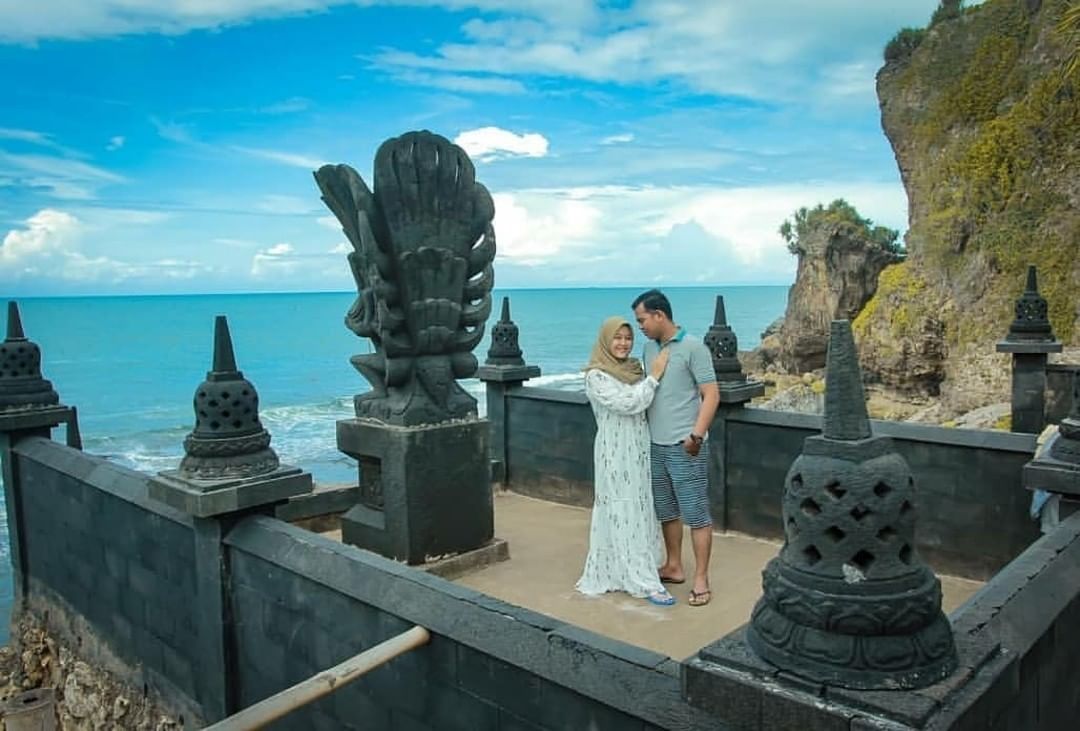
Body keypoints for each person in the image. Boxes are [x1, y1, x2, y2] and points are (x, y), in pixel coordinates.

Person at [576, 316, 675, 606]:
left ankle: (628, 570)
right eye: (617, 338)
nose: (623, 344)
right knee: (622, 507)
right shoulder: (597, 376)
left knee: (639, 507)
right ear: (606, 340)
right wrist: (654, 377)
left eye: (627, 338)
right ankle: (642, 581)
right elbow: (628, 403)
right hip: (615, 452)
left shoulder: (632, 370)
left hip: (638, 449)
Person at [632, 289, 720, 607]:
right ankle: (674, 566)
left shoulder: (694, 347)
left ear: (659, 315)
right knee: (666, 511)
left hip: (686, 445)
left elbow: (711, 394)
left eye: (642, 319)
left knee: (696, 514)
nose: (639, 326)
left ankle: (701, 579)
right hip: (655, 444)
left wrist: (696, 436)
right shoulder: (647, 349)